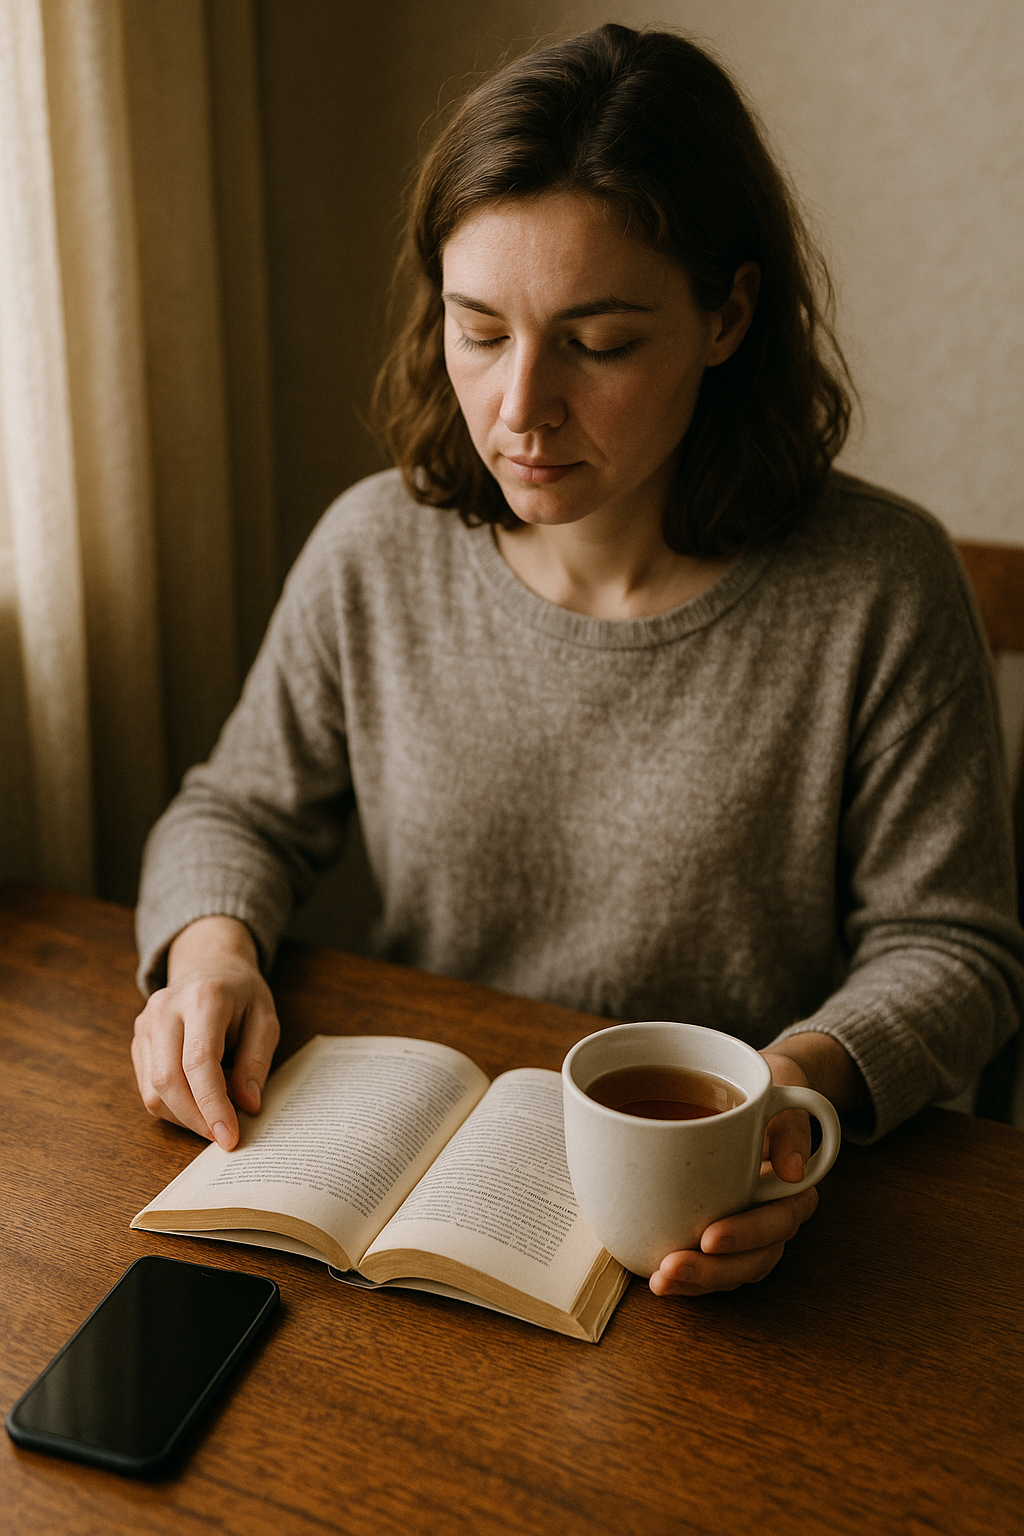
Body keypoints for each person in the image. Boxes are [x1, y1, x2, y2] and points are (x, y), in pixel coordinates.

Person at [131, 24, 1024, 1299]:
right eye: (478, 329)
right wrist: (211, 959)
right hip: (423, 1197)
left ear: (728, 313)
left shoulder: (879, 586)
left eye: (597, 343)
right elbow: (237, 807)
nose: (519, 409)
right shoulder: (377, 547)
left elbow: (954, 947)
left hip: (723, 1205)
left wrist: (796, 1086)